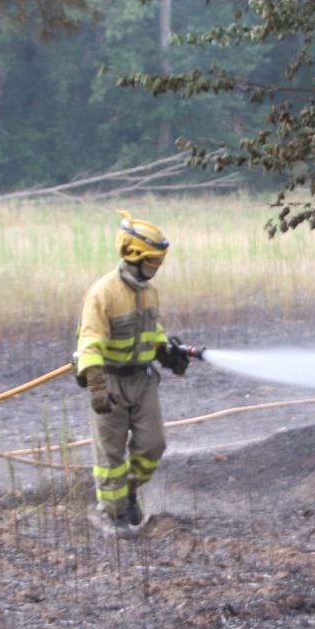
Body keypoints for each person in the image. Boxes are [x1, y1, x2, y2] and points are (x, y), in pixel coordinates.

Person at [75, 211, 195, 533]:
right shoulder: (103, 293)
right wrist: (96, 384)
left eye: (159, 261)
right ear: (133, 255)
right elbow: (89, 342)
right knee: (110, 455)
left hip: (142, 380)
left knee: (153, 445)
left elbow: (152, 330)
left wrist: (166, 353)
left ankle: (127, 492)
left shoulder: (148, 292)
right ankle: (111, 514)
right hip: (110, 381)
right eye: (153, 261)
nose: (157, 267)